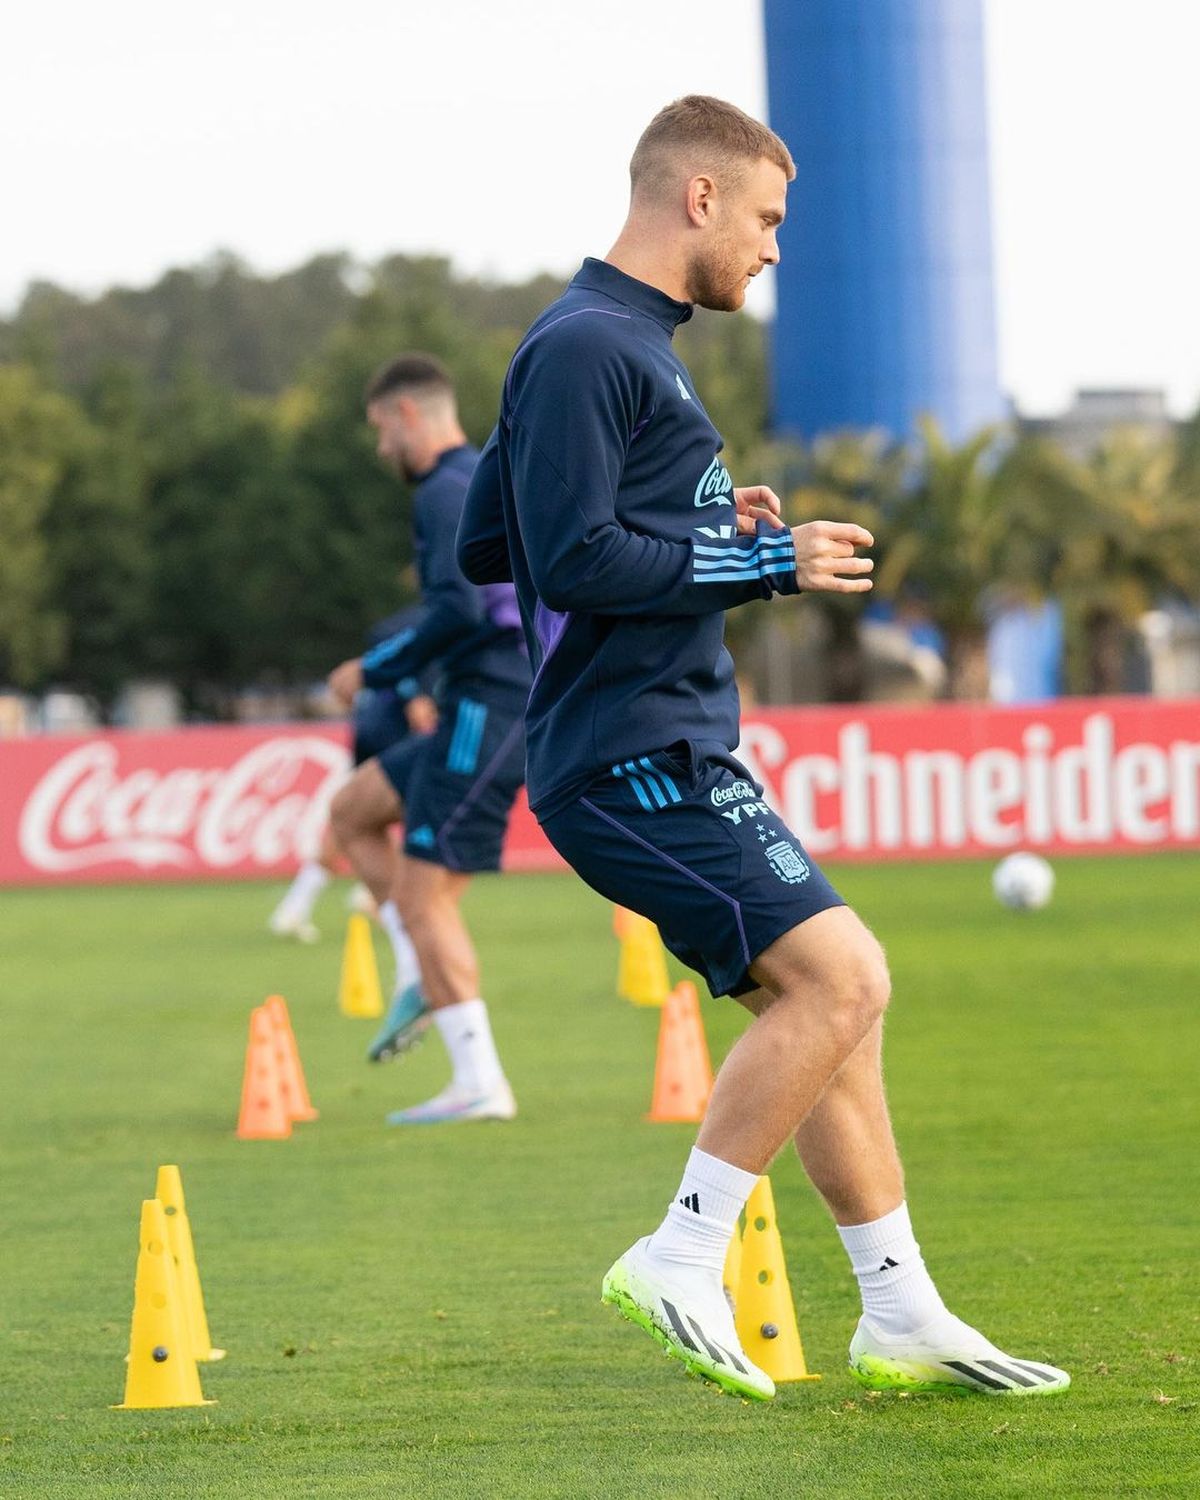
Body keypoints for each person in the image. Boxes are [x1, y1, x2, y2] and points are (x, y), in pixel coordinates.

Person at [458, 96, 1070, 1400]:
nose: (775, 248)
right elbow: (563, 559)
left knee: (837, 1015)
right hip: (628, 751)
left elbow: (491, 539)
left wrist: (693, 517)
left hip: (672, 740)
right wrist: (760, 559)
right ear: (699, 197)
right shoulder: (590, 344)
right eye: (767, 217)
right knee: (844, 980)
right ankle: (680, 1258)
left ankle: (900, 1311)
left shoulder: (617, 343)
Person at [327, 354, 531, 1125]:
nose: (382, 448)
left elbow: (459, 612)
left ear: (408, 415)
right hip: (476, 706)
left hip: (492, 707)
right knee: (351, 811)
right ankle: (417, 972)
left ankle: (481, 1083)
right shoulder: (474, 480)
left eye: (382, 430)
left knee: (423, 896)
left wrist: (375, 669)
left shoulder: (446, 492)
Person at [267, 606, 436, 943]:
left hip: (369, 727)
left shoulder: (395, 624)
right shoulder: (450, 617)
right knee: (415, 815)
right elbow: (418, 707)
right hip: (395, 733)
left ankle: (302, 903)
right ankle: (379, 898)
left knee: (359, 817)